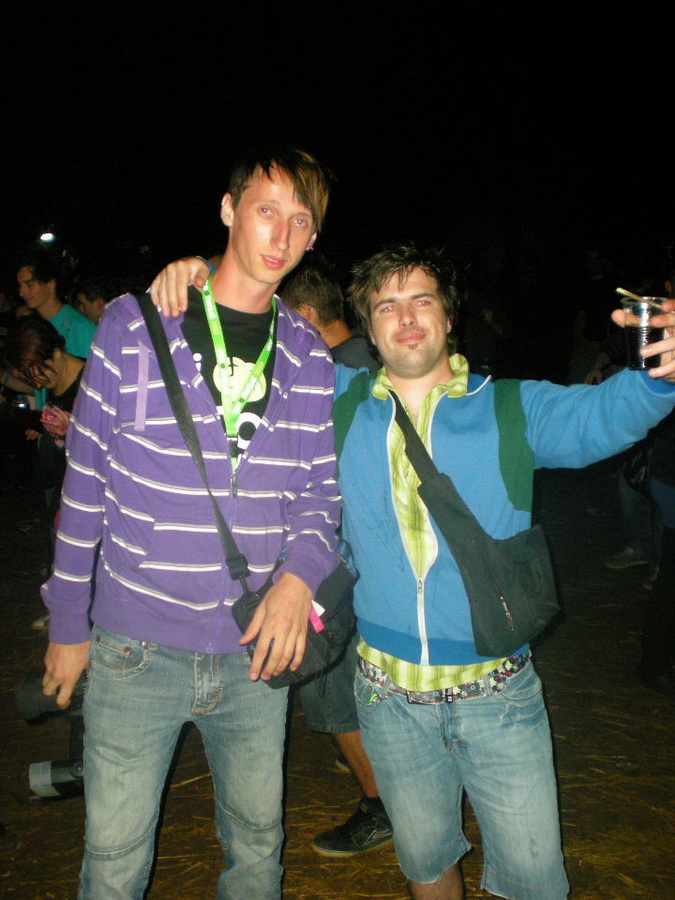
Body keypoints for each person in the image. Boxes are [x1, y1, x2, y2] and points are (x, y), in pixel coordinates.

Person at [41, 144, 341, 900]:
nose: (280, 235)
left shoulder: (309, 354)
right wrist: (68, 623)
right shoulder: (135, 325)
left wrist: (298, 578)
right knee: (114, 862)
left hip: (255, 652)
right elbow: (84, 485)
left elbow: (319, 493)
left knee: (258, 850)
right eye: (266, 210)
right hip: (134, 648)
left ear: (312, 238)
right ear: (229, 209)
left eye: (299, 221)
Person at [331, 244, 675, 900]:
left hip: (496, 695)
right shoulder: (340, 405)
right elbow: (253, 355)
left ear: (448, 315)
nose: (407, 317)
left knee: (534, 882)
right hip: (386, 697)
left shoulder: (509, 406)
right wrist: (199, 283)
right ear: (368, 329)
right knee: (425, 863)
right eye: (387, 305)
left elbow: (602, 416)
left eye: (422, 299)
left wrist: (659, 374)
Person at [281, 255, 391, 856]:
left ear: (302, 315)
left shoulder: (333, 376)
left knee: (330, 689)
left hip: (342, 566)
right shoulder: (376, 360)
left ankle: (382, 807)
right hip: (377, 563)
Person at [17, 250, 96, 360]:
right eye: (20, 286)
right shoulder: (33, 325)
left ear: (50, 284)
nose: (21, 293)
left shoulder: (79, 327)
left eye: (30, 285)